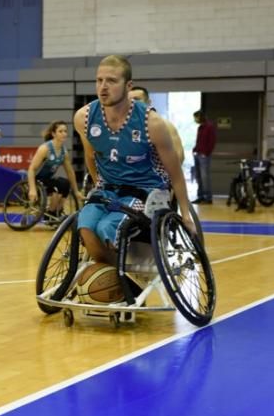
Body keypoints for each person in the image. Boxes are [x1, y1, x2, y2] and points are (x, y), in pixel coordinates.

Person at [74, 55, 195, 266]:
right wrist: (98, 185)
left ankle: (118, 282)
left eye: (111, 81)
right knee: (85, 227)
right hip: (109, 189)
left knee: (106, 228)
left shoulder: (153, 123)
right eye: (99, 80)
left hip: (145, 190)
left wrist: (185, 213)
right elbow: (91, 156)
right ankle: (112, 279)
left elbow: (175, 172)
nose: (103, 87)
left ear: (128, 86)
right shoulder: (83, 118)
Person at [27, 120, 83, 221]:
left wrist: (76, 191)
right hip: (36, 180)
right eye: (60, 131)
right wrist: (32, 189)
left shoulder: (63, 152)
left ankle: (56, 211)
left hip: (47, 180)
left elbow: (70, 172)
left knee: (65, 183)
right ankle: (51, 213)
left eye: (65, 131)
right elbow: (31, 169)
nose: (64, 134)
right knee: (59, 184)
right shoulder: (45, 149)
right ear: (53, 134)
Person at [129, 87, 185, 164]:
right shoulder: (124, 128)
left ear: (148, 102)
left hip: (156, 175)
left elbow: (179, 156)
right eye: (129, 100)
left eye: (137, 99)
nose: (133, 102)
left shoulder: (164, 125)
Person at [192, 110, 216, 204]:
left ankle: (208, 197)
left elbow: (212, 141)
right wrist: (195, 149)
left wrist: (206, 153)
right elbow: (199, 141)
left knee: (204, 176)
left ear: (200, 117)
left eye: (195, 117)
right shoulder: (200, 127)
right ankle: (200, 196)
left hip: (204, 156)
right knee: (198, 177)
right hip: (197, 154)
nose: (195, 119)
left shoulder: (209, 127)